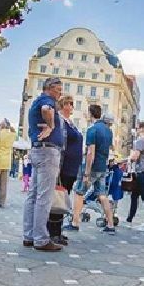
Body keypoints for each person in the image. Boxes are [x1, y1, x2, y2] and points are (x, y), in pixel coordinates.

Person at [22, 77, 65, 252]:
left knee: (33, 194)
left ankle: (29, 235)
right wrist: (51, 124)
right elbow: (47, 109)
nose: (60, 93)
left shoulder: (37, 101)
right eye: (58, 89)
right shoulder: (47, 101)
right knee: (44, 197)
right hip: (47, 152)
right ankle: (41, 239)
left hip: (38, 150)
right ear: (49, 88)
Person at [71, 104, 116, 235]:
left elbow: (91, 152)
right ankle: (110, 224)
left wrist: (87, 172)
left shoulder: (92, 129)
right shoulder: (108, 131)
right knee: (102, 195)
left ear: (90, 114)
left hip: (93, 166)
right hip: (103, 166)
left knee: (79, 192)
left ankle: (75, 222)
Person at [57, 97, 83, 236]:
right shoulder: (61, 120)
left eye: (72, 104)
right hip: (65, 165)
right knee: (59, 196)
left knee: (64, 196)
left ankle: (58, 230)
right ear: (63, 105)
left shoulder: (71, 122)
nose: (72, 107)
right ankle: (55, 230)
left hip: (73, 166)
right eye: (70, 104)